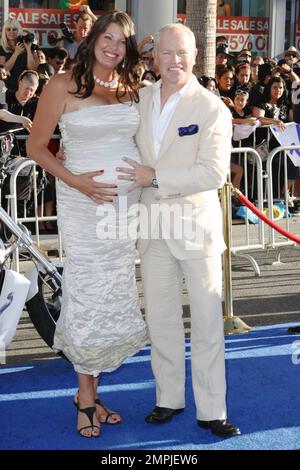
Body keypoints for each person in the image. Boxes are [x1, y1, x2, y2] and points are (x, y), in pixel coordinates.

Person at [27, 11, 148, 439]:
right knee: (85, 293)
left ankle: (92, 395)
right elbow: (37, 146)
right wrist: (75, 180)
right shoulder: (61, 85)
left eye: (122, 42)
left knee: (113, 293)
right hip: (81, 204)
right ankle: (84, 398)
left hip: (122, 212)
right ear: (94, 38)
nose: (113, 47)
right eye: (108, 38)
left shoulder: (131, 88)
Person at [116, 23, 240, 437]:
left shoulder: (211, 108)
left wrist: (155, 177)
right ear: (155, 57)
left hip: (196, 231)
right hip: (152, 230)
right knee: (162, 321)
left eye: (183, 53)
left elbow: (213, 173)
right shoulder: (140, 100)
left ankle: (212, 409)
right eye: (167, 53)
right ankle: (167, 398)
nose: (175, 61)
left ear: (195, 54)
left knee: (206, 322)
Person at [0, 18, 38, 92]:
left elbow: (33, 69)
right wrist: (16, 53)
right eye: (8, 29)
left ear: (19, 30)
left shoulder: (27, 43)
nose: (11, 32)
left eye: (14, 29)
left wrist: (28, 50)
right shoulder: (2, 48)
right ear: (5, 31)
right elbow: (3, 71)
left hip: (25, 86)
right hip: (7, 87)